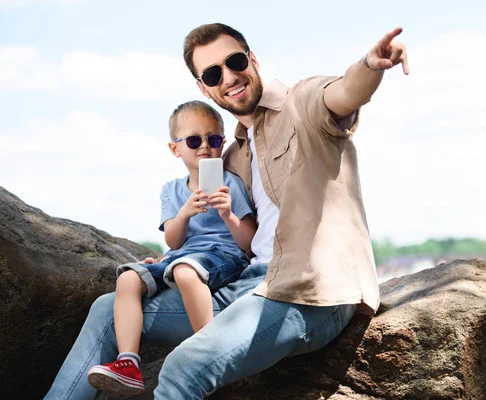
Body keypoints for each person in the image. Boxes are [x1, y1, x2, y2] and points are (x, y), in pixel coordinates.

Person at [44, 23, 408, 399]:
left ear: (253, 59)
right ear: (204, 88)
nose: (229, 77)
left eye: (235, 62)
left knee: (184, 366)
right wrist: (175, 256)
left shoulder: (301, 102)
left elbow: (345, 92)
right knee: (108, 309)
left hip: (310, 294)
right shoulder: (232, 154)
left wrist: (371, 64)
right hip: (247, 285)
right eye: (214, 73)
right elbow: (227, 234)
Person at [86, 100, 256, 395]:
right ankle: (128, 362)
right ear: (175, 148)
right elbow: (173, 241)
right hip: (180, 256)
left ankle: (208, 354)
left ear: (222, 143)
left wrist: (228, 214)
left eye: (213, 139)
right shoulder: (171, 190)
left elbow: (248, 242)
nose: (204, 146)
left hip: (222, 257)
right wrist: (185, 213)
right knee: (128, 277)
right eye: (193, 140)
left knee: (186, 273)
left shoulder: (231, 184)